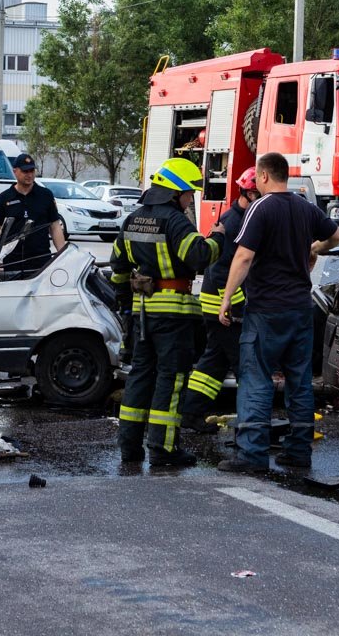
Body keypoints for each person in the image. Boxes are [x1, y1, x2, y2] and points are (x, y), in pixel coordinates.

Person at [216, 152, 339, 474]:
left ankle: (251, 455)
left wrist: (227, 297)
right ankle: (299, 451)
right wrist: (314, 249)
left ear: (262, 176)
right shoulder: (304, 207)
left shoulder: (261, 207)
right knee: (299, 382)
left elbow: (244, 256)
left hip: (266, 311)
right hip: (300, 309)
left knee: (257, 380)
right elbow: (338, 236)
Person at [110, 157, 225, 467]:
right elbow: (198, 256)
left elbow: (118, 269)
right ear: (175, 192)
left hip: (141, 314)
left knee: (139, 377)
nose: (191, 199)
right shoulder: (175, 221)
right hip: (173, 315)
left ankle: (129, 447)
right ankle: (163, 450)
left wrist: (125, 304)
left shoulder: (132, 220)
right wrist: (218, 237)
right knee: (171, 380)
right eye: (189, 193)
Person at [181, 167, 260, 433]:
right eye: (259, 196)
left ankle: (191, 414)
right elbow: (224, 268)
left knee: (214, 362)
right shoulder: (235, 223)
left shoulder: (243, 218)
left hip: (218, 301)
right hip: (222, 303)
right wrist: (237, 305)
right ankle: (252, 424)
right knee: (243, 362)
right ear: (248, 193)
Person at [0, 153, 65, 273]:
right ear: (15, 171)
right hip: (13, 261)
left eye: (32, 171)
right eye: (25, 171)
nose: (29, 175)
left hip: (41, 260)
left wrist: (63, 257)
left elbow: (55, 227)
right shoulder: (4, 198)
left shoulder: (45, 195)